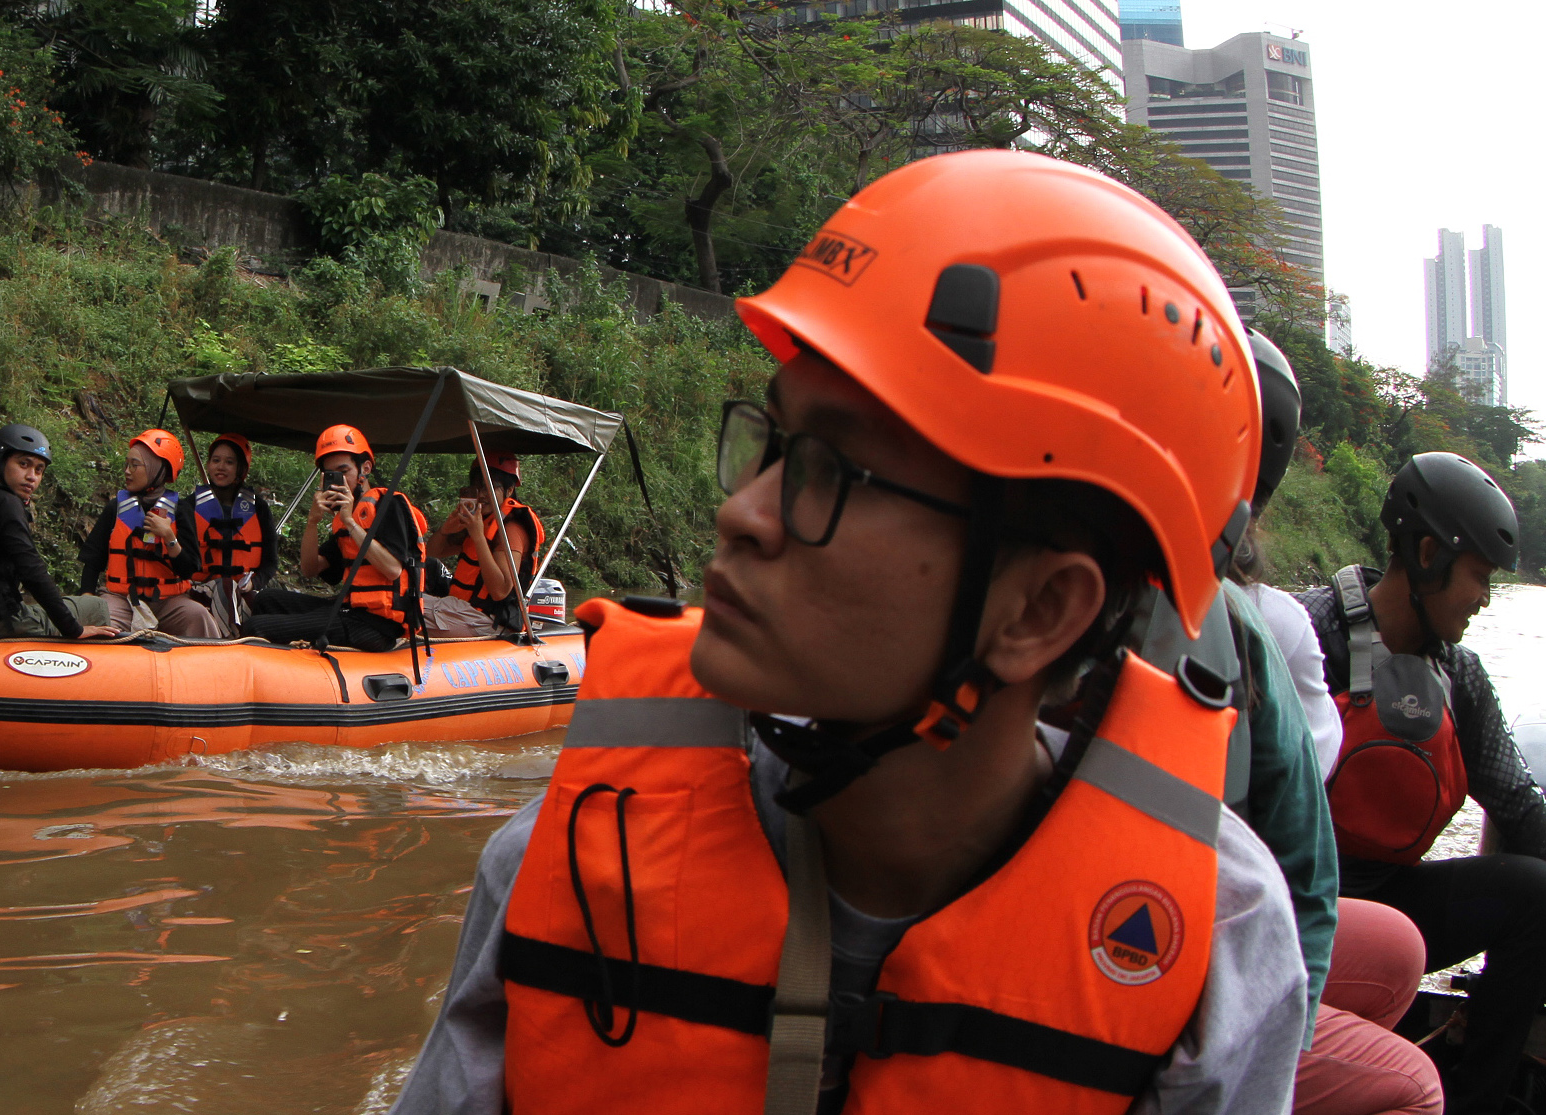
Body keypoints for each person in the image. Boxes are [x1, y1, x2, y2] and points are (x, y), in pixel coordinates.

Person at [392, 151, 1305, 1114]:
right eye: (773, 445)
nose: (742, 511)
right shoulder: (572, 854)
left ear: (1038, 611)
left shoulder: (1212, 953)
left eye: (830, 470)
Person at [1299, 452, 1546, 1114]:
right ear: (1424, 552)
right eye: (1477, 576)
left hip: (1392, 901)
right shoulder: (1307, 633)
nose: (1482, 599)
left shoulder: (1459, 678)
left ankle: (1473, 1098)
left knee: (1535, 890)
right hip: (1297, 903)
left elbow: (1521, 814)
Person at [1224, 333, 1440, 1113]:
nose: (1482, 595)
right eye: (1477, 574)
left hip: (1219, 900)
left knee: (1396, 945)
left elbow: (1304, 869)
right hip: (1178, 932)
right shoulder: (1272, 623)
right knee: (1414, 1086)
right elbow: (1303, 834)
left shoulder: (1269, 622)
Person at [0, 424, 118, 640]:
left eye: (39, 470)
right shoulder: (5, 502)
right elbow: (32, 570)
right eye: (23, 464)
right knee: (96, 606)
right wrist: (74, 629)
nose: (32, 477)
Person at [245, 424, 427, 652]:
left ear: (366, 468)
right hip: (349, 611)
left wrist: (351, 523)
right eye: (331, 475)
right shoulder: (343, 519)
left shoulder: (388, 505)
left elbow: (393, 569)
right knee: (266, 599)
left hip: (378, 626)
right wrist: (312, 522)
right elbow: (311, 569)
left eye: (344, 471)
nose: (338, 481)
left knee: (256, 626)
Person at [77, 429, 221, 639]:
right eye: (126, 464)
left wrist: (169, 538)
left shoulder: (181, 510)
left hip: (168, 601)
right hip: (121, 597)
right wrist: (87, 597)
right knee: (100, 623)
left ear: (158, 469)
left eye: (135, 465)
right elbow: (92, 561)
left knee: (198, 616)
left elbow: (189, 569)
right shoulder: (115, 507)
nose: (127, 471)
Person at [422, 453, 544, 638]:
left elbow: (500, 591)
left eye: (490, 488)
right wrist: (446, 530)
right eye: (478, 488)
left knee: (399, 601)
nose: (482, 495)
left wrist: (478, 536)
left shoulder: (511, 529)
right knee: (404, 589)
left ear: (509, 491)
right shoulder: (481, 520)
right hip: (463, 610)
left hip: (486, 620)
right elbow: (430, 552)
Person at [180, 433, 277, 629]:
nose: (221, 467)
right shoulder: (188, 507)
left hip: (244, 589)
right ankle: (232, 641)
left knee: (256, 600)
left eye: (229, 462)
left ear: (240, 469)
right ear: (208, 465)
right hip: (200, 588)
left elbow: (270, 563)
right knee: (225, 586)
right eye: (216, 460)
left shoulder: (259, 509)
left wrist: (254, 583)